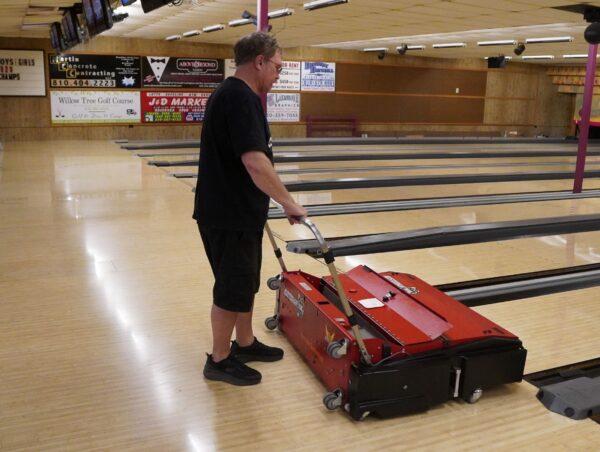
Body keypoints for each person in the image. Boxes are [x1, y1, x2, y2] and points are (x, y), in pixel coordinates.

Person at [193, 32, 307, 386]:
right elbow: (255, 161)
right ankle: (219, 359)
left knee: (243, 284)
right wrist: (288, 201)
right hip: (230, 215)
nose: (278, 75)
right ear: (260, 61)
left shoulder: (233, 93)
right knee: (231, 288)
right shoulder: (240, 99)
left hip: (233, 212)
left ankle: (244, 343)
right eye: (278, 67)